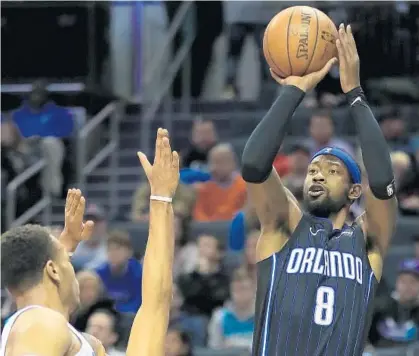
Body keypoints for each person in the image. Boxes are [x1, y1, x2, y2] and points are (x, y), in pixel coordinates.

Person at [241, 24, 397, 355]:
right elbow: (254, 166)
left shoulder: (367, 241)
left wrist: (354, 92)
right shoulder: (284, 226)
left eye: (332, 171)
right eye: (312, 170)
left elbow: (383, 183)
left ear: (355, 191)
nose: (318, 175)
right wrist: (294, 90)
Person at [1, 128, 180, 356]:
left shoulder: (79, 341)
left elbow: (156, 305)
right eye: (67, 260)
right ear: (53, 270)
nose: (74, 272)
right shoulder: (38, 322)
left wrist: (161, 199)